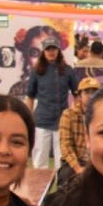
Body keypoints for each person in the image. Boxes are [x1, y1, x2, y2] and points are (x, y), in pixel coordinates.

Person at [25, 42, 74, 170]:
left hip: (62, 120)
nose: (51, 52)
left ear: (58, 50)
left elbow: (77, 94)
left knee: (62, 159)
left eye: (54, 49)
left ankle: (62, 187)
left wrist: (74, 113)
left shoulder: (68, 70)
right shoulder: (36, 71)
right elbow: (30, 96)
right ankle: (38, 189)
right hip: (41, 120)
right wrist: (28, 118)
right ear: (43, 51)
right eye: (48, 49)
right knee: (39, 159)